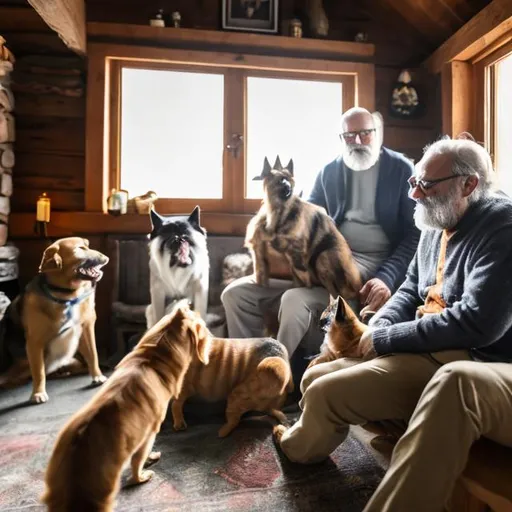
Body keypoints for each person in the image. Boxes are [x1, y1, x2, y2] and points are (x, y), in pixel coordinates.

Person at [275, 136, 512, 512]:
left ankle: (296, 448)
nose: (415, 194)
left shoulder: (501, 225)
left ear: (469, 184)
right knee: (312, 377)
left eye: (426, 185)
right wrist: (377, 327)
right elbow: (408, 290)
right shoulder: (437, 218)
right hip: (424, 343)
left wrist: (384, 339)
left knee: (323, 393)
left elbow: (478, 323)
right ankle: (383, 430)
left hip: (464, 352)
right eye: (413, 182)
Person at [221, 107, 419, 360]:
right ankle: (246, 367)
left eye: (365, 133)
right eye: (349, 136)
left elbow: (415, 235)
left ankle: (276, 376)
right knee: (235, 295)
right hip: (323, 262)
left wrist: (387, 278)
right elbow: (304, 220)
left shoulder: (401, 169)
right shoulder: (329, 171)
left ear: (376, 133)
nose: (357, 141)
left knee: (294, 299)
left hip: (370, 265)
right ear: (340, 139)